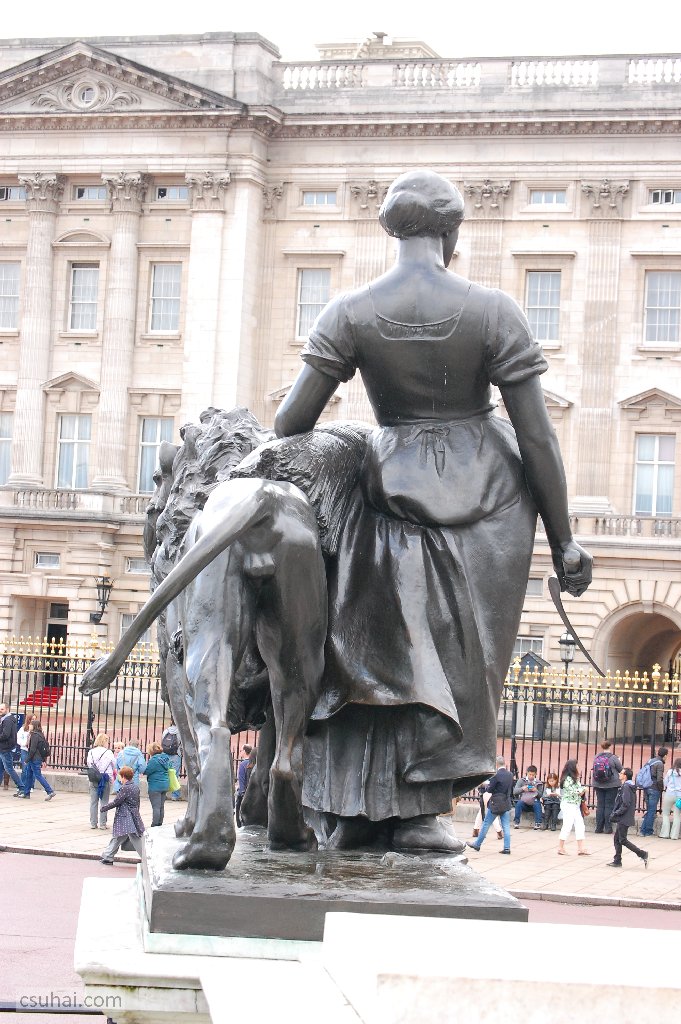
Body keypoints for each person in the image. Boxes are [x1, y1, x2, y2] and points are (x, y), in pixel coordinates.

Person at [274, 169, 592, 853]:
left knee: (374, 652)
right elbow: (537, 436)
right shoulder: (493, 310)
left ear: (391, 232)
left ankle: (351, 808)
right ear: (451, 234)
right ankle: (419, 813)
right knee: (459, 658)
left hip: (387, 488)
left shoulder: (349, 311)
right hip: (489, 500)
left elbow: (291, 422)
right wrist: (564, 539)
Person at [466, 756, 514, 854]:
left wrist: (486, 786)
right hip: (505, 802)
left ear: (496, 764)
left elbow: (490, 789)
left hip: (495, 803)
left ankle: (477, 844)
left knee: (486, 824)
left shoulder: (496, 775)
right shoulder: (510, 774)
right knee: (506, 826)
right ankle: (507, 848)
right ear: (504, 763)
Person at [99, 765, 146, 864]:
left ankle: (147, 857)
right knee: (118, 837)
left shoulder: (125, 788)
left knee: (134, 837)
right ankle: (108, 856)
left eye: (120, 776)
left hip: (125, 817)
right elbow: (137, 803)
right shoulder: (135, 787)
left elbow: (117, 801)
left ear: (123, 776)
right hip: (133, 815)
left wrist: (104, 808)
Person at [608, 767, 649, 868]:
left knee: (622, 839)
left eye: (621, 773)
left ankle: (642, 853)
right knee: (617, 839)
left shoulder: (626, 787)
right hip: (624, 817)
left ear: (625, 776)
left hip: (624, 817)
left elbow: (626, 803)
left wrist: (617, 813)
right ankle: (617, 860)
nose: (619, 774)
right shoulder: (627, 786)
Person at [557, 759, 589, 856]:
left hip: (575, 804)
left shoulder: (575, 778)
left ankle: (581, 848)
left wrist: (582, 790)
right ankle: (560, 847)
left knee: (580, 825)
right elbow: (573, 792)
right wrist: (583, 789)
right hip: (568, 804)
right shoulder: (567, 779)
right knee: (567, 825)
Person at [591, 739, 622, 835]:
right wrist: (619, 761)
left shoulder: (597, 757)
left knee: (600, 805)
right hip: (611, 784)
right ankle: (608, 828)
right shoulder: (613, 758)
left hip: (598, 784)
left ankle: (598, 828)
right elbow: (620, 769)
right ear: (610, 746)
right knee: (609, 805)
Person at [86, 733, 116, 829]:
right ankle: (102, 823)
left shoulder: (91, 751)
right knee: (104, 801)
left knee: (93, 801)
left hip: (94, 777)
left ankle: (93, 823)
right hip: (105, 777)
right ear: (105, 741)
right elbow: (114, 764)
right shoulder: (108, 752)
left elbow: (89, 763)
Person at [472, 756, 504, 840]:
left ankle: (476, 830)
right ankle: (499, 831)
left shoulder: (488, 770)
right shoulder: (492, 771)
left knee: (482, 811)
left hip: (485, 792)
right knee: (490, 811)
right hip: (488, 792)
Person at [22, 720, 55, 801]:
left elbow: (32, 749)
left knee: (38, 775)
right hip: (37, 758)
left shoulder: (34, 735)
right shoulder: (40, 735)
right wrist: (43, 759)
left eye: (31, 725)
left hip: (34, 759)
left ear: (34, 726)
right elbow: (41, 748)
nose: (29, 726)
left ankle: (50, 791)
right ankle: (26, 793)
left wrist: (27, 759)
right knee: (29, 775)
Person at [639, 746, 668, 837]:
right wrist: (661, 789)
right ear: (665, 755)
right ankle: (647, 831)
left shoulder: (651, 761)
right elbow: (659, 779)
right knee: (651, 810)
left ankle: (643, 830)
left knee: (649, 810)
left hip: (646, 787)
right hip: (654, 788)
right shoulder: (660, 764)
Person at [0, 702, 25, 795]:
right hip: (3, 748)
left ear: (7, 709)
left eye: (2, 709)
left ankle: (21, 787)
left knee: (9, 769)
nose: (0, 711)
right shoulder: (6, 719)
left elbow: (5, 735)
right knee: (1, 768)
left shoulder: (8, 720)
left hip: (6, 748)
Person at [143, 742, 171, 826]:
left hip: (155, 786)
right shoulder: (166, 758)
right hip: (165, 784)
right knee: (161, 806)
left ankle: (154, 824)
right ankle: (160, 823)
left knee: (156, 807)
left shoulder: (154, 760)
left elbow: (147, 771)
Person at [513, 765, 544, 829]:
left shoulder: (538, 783)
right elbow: (515, 791)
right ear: (527, 773)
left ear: (536, 774)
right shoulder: (522, 781)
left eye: (533, 775)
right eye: (530, 774)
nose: (531, 776)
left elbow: (541, 795)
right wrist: (522, 789)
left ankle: (538, 823)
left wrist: (536, 790)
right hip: (524, 802)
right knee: (519, 803)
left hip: (534, 802)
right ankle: (516, 822)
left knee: (537, 804)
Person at [660, 757, 681, 840]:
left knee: (665, 814)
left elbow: (665, 783)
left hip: (669, 794)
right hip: (679, 796)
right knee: (677, 816)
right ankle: (674, 835)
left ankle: (665, 833)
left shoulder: (670, 772)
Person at [161, 723, 183, 801]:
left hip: (165, 753)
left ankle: (163, 794)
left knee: (165, 773)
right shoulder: (180, 732)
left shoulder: (166, 731)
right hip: (176, 754)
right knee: (175, 775)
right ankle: (175, 795)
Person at [235, 744, 253, 828]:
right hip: (251, 792)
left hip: (243, 793)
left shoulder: (243, 764)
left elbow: (241, 779)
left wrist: (242, 792)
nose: (240, 752)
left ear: (245, 751)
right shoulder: (254, 763)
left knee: (239, 815)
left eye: (241, 750)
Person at [16, 715, 33, 795]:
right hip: (24, 750)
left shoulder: (36, 730)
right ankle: (22, 785)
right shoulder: (23, 729)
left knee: (32, 768)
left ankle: (30, 786)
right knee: (24, 768)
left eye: (34, 719)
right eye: (32, 719)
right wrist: (24, 744)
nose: (33, 721)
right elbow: (18, 738)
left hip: (32, 751)